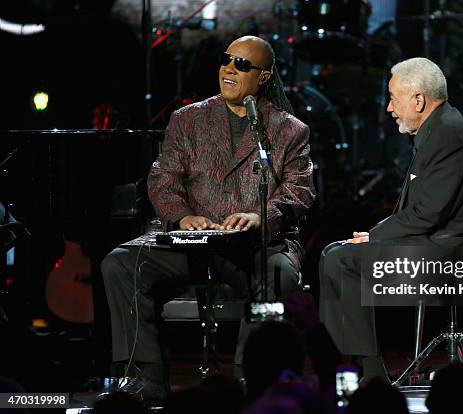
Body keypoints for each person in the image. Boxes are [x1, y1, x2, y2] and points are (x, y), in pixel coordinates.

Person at [101, 35, 315, 403]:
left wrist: (259, 217)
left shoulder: (288, 130)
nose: (230, 69)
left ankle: (249, 379)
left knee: (278, 272)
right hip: (192, 242)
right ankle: (144, 378)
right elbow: (162, 179)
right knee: (120, 263)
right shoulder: (188, 120)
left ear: (263, 77)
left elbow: (299, 192)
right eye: (226, 60)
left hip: (253, 245)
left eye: (243, 65)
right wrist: (181, 217)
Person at [318, 57, 463, 379]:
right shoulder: (439, 128)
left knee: (340, 260)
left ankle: (367, 376)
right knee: (333, 253)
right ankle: (348, 370)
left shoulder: (448, 134)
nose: (389, 109)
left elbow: (427, 213)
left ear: (418, 99)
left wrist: (374, 236)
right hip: (433, 242)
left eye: (392, 98)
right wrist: (376, 235)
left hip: (452, 256)